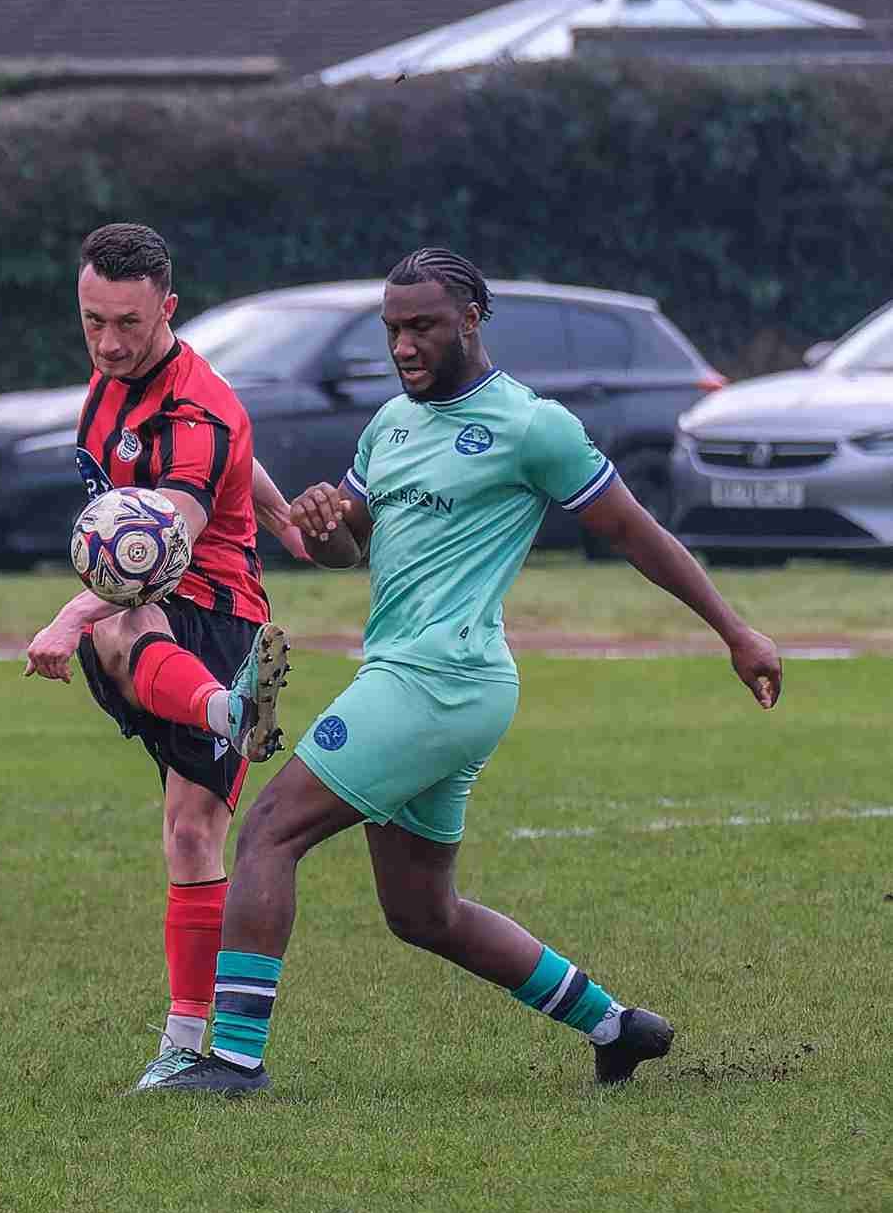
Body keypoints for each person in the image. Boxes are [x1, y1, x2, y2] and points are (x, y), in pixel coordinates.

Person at [141, 245, 784, 1099]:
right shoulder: (388, 425)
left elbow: (636, 532)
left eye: (423, 327)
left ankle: (232, 1061)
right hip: (429, 683)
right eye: (391, 330)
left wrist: (734, 631)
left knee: (268, 832)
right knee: (422, 913)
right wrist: (322, 524)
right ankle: (617, 1026)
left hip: (438, 679)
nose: (402, 346)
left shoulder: (531, 426)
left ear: (471, 320)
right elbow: (346, 548)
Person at [25, 221, 304, 1089]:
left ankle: (228, 707)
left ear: (168, 310)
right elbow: (231, 457)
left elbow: (163, 542)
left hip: (211, 619)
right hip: (179, 630)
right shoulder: (117, 381)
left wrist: (70, 616)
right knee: (189, 833)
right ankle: (185, 1046)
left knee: (118, 626)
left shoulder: (195, 407)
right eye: (93, 321)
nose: (109, 342)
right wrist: (279, 511)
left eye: (129, 324)